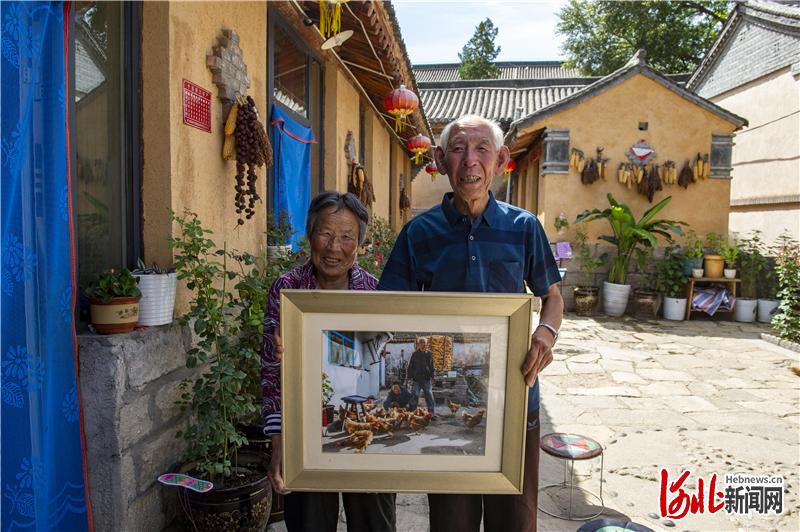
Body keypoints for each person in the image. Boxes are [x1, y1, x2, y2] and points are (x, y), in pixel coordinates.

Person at [378, 114, 564, 532]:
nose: (471, 161)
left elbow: (552, 296)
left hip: (516, 394)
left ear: (501, 159)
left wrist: (545, 334)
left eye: (482, 149)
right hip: (449, 409)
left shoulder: (524, 227)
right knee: (451, 520)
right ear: (441, 160)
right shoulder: (419, 233)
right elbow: (388, 310)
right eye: (459, 149)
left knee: (515, 518)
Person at [261, 191, 396, 532]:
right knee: (309, 523)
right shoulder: (286, 290)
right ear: (310, 235)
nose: (334, 247)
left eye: (347, 236)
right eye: (325, 233)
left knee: (373, 521)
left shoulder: (378, 295)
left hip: (365, 426)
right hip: (305, 430)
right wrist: (279, 442)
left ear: (360, 243)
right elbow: (271, 374)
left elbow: (385, 371)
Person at [406, 337, 436, 416]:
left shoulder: (429, 353)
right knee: (414, 396)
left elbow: (431, 365)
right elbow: (410, 366)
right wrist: (409, 377)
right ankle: (412, 413)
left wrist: (433, 376)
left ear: (426, 344)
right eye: (421, 343)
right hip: (417, 379)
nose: (422, 344)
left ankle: (431, 414)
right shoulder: (415, 354)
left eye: (424, 343)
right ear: (418, 344)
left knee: (429, 396)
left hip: (426, 379)